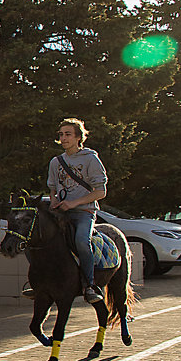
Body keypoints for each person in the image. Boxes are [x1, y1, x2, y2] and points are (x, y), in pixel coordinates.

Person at [47, 118, 108, 304]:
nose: (63, 138)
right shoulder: (56, 162)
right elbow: (52, 188)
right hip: (62, 213)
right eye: (61, 134)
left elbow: (101, 192)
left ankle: (89, 284)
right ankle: (43, 283)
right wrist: (54, 201)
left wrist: (74, 204)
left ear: (79, 137)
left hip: (84, 212)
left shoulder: (91, 159)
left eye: (68, 134)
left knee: (82, 241)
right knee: (35, 237)